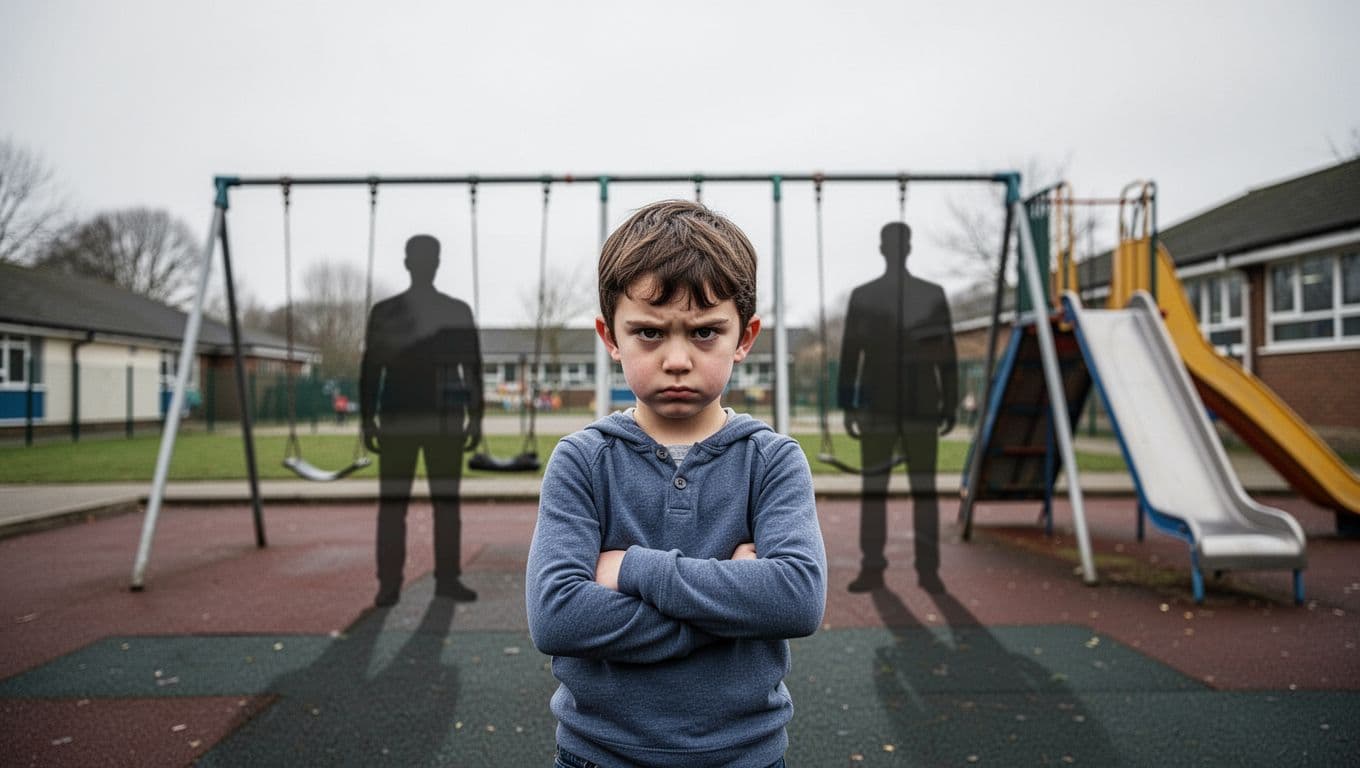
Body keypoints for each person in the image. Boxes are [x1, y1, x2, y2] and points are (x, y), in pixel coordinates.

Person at [526, 200, 827, 768]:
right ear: (610, 336)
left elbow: (797, 599)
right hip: (599, 755)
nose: (677, 359)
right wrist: (734, 603)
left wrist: (634, 569)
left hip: (745, 757)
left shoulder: (773, 462)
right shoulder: (581, 462)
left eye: (706, 332)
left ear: (745, 337)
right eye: (648, 333)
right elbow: (557, 615)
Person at [360, 234, 484, 607]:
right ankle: (444, 580)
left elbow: (371, 370)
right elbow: (473, 371)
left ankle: (390, 585)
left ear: (407, 262)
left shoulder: (385, 312)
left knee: (394, 507)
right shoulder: (456, 310)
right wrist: (475, 420)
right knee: (445, 506)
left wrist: (368, 420)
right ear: (435, 262)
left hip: (401, 421)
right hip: (441, 423)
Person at [838, 221, 957, 594]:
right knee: (920, 489)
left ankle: (881, 566)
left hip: (886, 406)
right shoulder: (929, 294)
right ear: (907, 247)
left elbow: (850, 356)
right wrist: (949, 402)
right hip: (915, 405)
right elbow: (947, 356)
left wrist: (849, 404)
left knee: (879, 487)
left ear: (884, 248)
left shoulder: (867, 295)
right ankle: (925, 569)